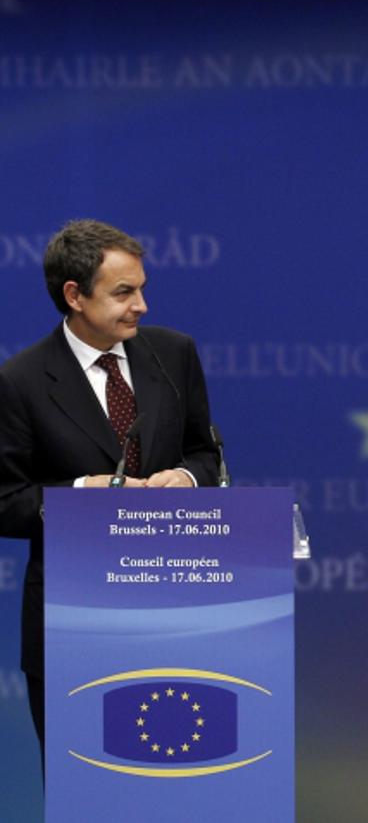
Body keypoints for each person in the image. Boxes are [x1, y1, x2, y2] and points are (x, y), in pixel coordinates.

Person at [0, 219, 219, 750]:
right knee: (89, 787)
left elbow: (205, 452)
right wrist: (76, 498)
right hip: (74, 618)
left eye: (141, 288)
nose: (141, 305)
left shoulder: (173, 355)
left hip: (176, 603)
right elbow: (5, 500)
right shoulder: (21, 381)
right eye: (124, 293)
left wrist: (188, 477)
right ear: (74, 295)